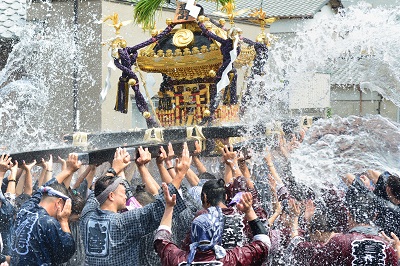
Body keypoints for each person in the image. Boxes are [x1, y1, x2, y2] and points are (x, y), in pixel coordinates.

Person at [80, 145, 190, 266]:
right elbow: (156, 209)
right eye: (123, 193)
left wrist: (114, 169)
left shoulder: (87, 216)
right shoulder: (122, 222)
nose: (126, 196)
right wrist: (180, 175)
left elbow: (96, 192)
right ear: (111, 196)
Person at [154, 191, 270, 265]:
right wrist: (249, 211)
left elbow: (161, 240)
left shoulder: (177, 259)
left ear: (192, 235)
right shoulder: (232, 259)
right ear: (217, 235)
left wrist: (169, 208)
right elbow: (263, 244)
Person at [308, 179, 398, 265]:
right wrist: (397, 251)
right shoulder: (388, 248)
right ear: (375, 216)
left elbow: (312, 261)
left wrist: (305, 223)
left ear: (349, 214)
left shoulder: (339, 242)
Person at [11, 153, 80, 265]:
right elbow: (67, 251)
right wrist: (64, 221)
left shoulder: (25, 209)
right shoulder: (48, 222)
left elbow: (42, 189)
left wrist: (68, 170)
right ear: (59, 202)